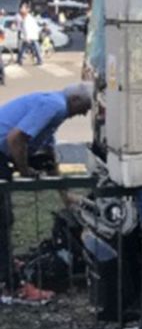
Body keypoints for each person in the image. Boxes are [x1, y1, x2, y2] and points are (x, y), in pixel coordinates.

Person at [0, 84, 92, 304]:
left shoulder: (53, 109)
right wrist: (24, 171)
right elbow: (16, 139)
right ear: (76, 99)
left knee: (4, 218)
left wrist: (65, 195)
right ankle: (11, 286)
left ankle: (5, 265)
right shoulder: (55, 105)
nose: (84, 114)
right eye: (84, 108)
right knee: (2, 219)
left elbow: (49, 158)